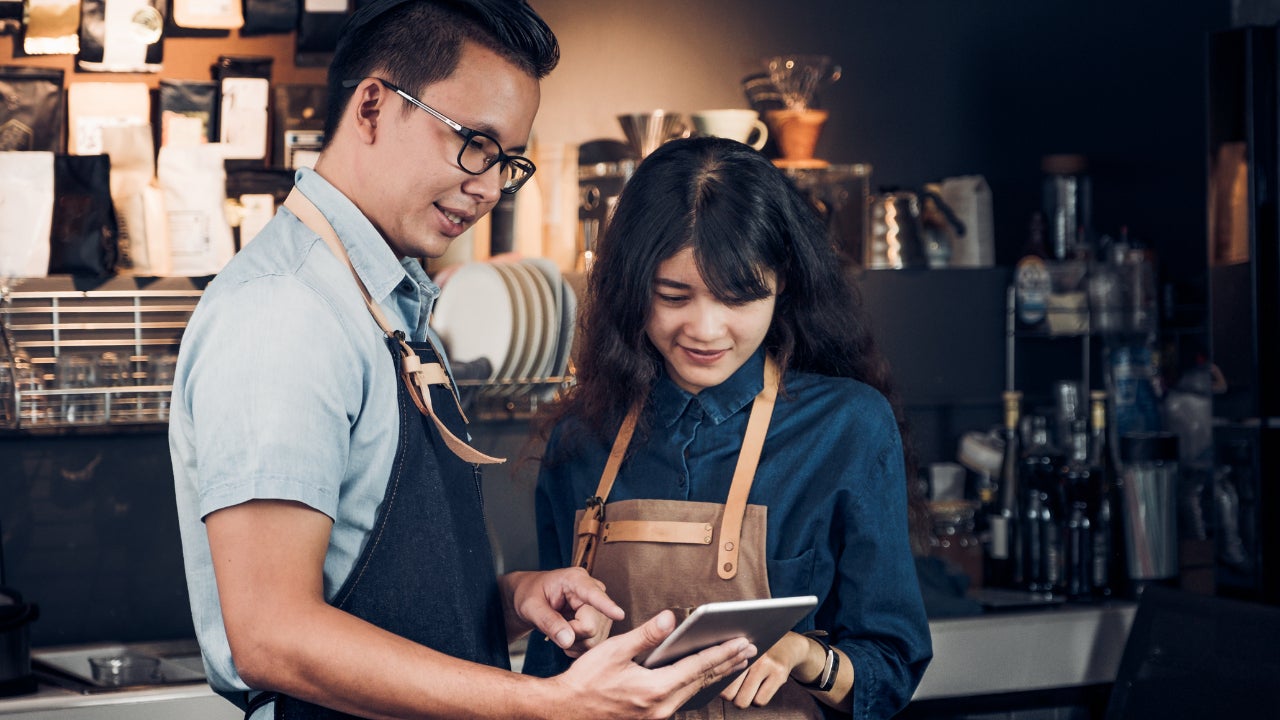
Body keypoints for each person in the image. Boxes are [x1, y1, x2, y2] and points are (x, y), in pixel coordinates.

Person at [169, 2, 756, 719]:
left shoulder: (384, 302)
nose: (489, 188)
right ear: (374, 106)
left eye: (508, 162)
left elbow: (385, 594)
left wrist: (512, 599)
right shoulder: (285, 312)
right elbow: (273, 635)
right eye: (475, 144)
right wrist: (549, 703)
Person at [523, 136, 933, 719]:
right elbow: (550, 669)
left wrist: (804, 654)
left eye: (737, 297)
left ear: (783, 281)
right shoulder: (581, 438)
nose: (705, 329)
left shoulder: (848, 427)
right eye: (674, 295)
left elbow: (891, 670)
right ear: (633, 286)